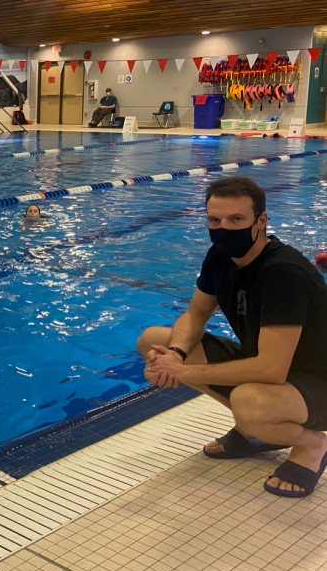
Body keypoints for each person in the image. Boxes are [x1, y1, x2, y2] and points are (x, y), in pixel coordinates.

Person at [137, 177, 327, 498]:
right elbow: (196, 315)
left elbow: (271, 370)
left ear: (261, 220)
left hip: (318, 382)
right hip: (279, 376)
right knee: (154, 339)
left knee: (248, 401)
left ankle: (312, 444)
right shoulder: (219, 257)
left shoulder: (282, 274)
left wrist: (183, 372)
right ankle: (262, 430)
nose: (224, 228)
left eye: (236, 219)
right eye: (215, 220)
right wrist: (177, 356)